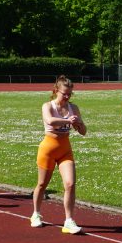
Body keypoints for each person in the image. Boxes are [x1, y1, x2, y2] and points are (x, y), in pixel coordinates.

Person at [29, 76, 87, 234]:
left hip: (65, 149)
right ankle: (36, 213)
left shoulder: (73, 108)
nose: (67, 97)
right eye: (64, 94)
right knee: (42, 184)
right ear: (56, 91)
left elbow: (83, 132)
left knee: (70, 184)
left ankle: (69, 220)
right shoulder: (47, 106)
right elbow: (50, 121)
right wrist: (68, 121)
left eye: (70, 94)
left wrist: (78, 124)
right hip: (48, 149)